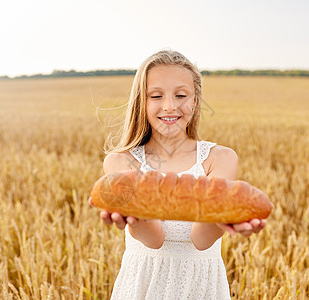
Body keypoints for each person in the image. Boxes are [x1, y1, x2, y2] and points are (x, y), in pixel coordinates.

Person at [89, 49, 267, 299]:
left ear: (195, 100)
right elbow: (153, 240)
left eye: (181, 95)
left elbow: (201, 240)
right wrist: (135, 217)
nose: (170, 106)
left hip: (200, 287)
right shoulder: (121, 162)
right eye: (156, 96)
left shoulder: (220, 158)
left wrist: (224, 219)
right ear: (142, 101)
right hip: (143, 284)